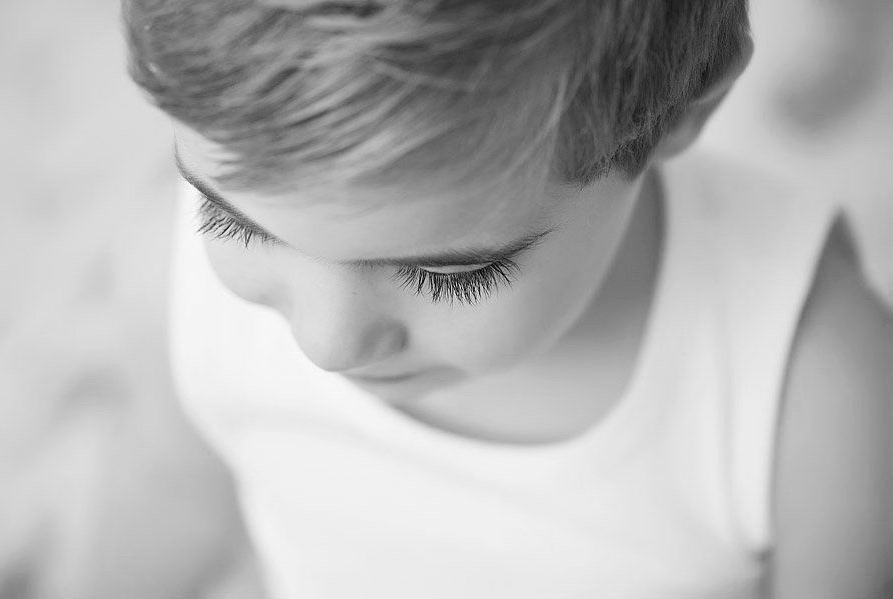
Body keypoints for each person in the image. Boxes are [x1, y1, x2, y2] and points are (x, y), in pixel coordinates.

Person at [122, 1, 892, 597]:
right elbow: (181, 492)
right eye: (233, 220)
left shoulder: (816, 395)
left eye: (447, 275)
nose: (326, 344)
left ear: (681, 110)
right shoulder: (171, 266)